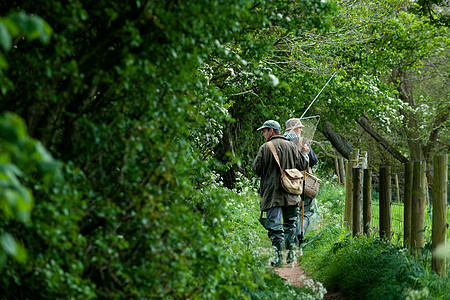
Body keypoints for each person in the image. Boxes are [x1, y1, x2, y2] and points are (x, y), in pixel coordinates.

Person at [252, 120, 310, 267]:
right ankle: (290, 256)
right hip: (292, 192)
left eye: (264, 131)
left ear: (272, 131)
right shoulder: (292, 146)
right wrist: (305, 153)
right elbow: (303, 165)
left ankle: (277, 258)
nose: (263, 134)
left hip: (272, 194)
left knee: (275, 226)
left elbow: (256, 169)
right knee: (290, 225)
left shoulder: (265, 147)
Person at [284, 118, 319, 247]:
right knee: (307, 210)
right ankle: (300, 234)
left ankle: (289, 239)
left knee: (290, 212)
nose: (301, 130)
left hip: (286, 182)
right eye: (299, 128)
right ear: (294, 129)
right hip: (302, 182)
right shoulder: (301, 141)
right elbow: (313, 160)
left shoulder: (281, 141)